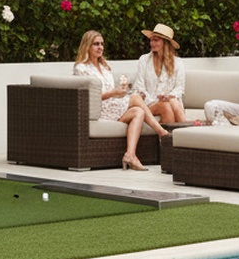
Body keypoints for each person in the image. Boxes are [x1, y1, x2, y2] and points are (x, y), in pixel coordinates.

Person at [73, 30, 168, 171]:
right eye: (96, 44)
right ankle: (161, 132)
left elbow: (112, 94)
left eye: (102, 44)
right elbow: (87, 97)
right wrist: (114, 93)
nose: (100, 48)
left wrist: (120, 93)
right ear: (87, 46)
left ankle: (130, 155)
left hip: (111, 107)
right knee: (135, 98)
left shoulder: (105, 68)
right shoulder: (81, 68)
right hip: (98, 110)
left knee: (138, 112)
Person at [134, 24, 186, 125]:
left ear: (165, 43)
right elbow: (139, 87)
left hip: (171, 102)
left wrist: (168, 97)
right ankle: (187, 134)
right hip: (149, 103)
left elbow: (179, 88)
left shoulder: (178, 62)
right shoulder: (143, 60)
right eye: (151, 40)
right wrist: (156, 99)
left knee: (172, 102)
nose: (152, 43)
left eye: (156, 40)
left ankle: (174, 137)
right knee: (167, 105)